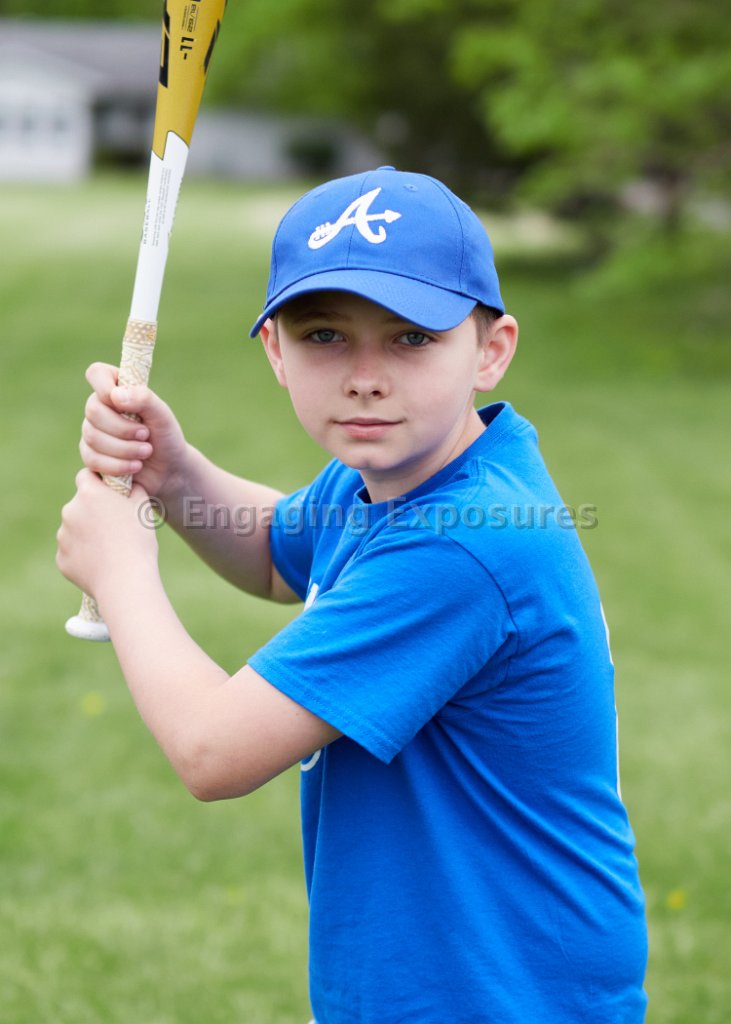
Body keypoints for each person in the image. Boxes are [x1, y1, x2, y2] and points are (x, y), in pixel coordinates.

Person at [57, 166, 648, 1023]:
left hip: (500, 997)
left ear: (490, 350)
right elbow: (276, 553)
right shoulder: (400, 475)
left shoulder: (461, 542)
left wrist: (121, 574)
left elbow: (213, 752)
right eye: (325, 335)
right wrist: (174, 474)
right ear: (275, 350)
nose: (365, 377)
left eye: (411, 338)